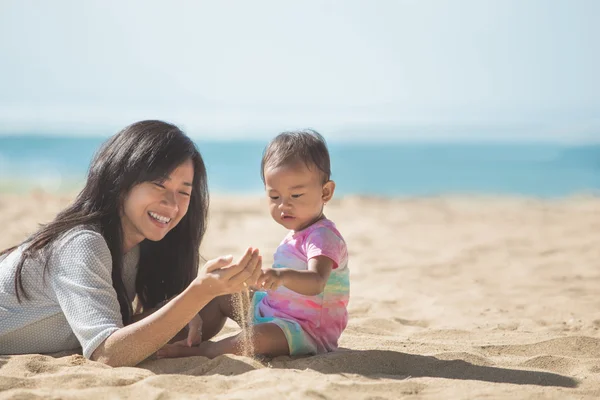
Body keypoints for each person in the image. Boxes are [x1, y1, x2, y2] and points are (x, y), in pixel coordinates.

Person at [0, 120, 262, 367]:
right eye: (159, 185)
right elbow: (108, 355)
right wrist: (196, 293)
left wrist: (204, 294)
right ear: (121, 181)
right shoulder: (83, 243)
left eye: (184, 192)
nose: (172, 204)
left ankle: (294, 327)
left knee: (222, 294)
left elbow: (123, 328)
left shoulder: (137, 245)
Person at [158, 129, 350, 359]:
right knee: (222, 291)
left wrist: (280, 276)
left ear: (326, 192)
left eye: (296, 196)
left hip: (304, 330)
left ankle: (207, 350)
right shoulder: (297, 232)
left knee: (258, 338)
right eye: (275, 197)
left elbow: (317, 282)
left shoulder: (322, 236)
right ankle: (182, 334)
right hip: (274, 311)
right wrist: (255, 278)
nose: (283, 206)